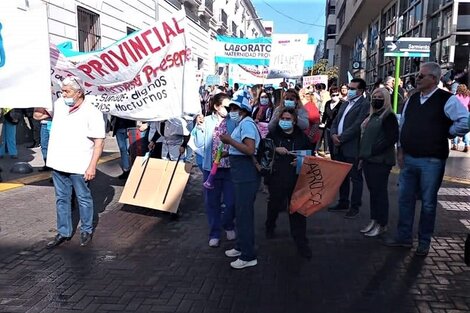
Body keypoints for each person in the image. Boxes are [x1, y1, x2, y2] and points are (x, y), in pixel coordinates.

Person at [385, 62, 469, 257]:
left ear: (434, 78)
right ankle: (404, 237)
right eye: (418, 76)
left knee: (428, 203)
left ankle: (424, 241)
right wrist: (400, 149)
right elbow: (403, 125)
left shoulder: (447, 99)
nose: (417, 79)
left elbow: (465, 121)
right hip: (409, 158)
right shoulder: (413, 99)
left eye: (422, 76)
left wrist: (448, 132)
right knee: (405, 200)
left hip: (431, 160)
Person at [46, 76, 105, 248]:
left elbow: (99, 142)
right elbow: (38, 115)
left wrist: (92, 166)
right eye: (62, 91)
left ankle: (86, 230)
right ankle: (63, 232)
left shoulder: (92, 111)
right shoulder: (59, 105)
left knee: (83, 198)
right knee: (61, 199)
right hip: (58, 162)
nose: (63, 94)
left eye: (67, 91)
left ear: (79, 93)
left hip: (79, 165)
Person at [220, 89, 261, 270]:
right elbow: (242, 148)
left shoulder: (247, 124)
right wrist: (229, 152)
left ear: (242, 109)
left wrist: (229, 141)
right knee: (240, 212)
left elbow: (250, 149)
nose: (231, 112)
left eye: (234, 108)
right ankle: (241, 246)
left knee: (244, 215)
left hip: (246, 175)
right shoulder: (242, 124)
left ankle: (248, 255)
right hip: (240, 174)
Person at [264, 108, 313, 258]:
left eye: (288, 119)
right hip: (277, 177)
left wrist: (299, 161)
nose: (285, 121)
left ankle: (301, 243)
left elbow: (310, 156)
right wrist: (274, 149)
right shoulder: (273, 135)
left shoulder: (302, 138)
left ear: (294, 121)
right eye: (283, 118)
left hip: (296, 179)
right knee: (274, 204)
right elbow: (264, 152)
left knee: (297, 210)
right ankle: (270, 226)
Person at [191, 93, 237, 247]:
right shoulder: (206, 121)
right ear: (217, 107)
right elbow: (197, 142)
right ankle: (215, 232)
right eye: (225, 106)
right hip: (211, 169)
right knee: (212, 202)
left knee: (231, 202)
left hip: (230, 168)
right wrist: (199, 127)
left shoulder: (234, 121)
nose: (229, 109)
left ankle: (229, 224)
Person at [358, 88, 398, 237]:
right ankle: (374, 220)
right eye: (374, 96)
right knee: (374, 193)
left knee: (379, 193)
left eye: (380, 97)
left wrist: (373, 150)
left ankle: (382, 223)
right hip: (368, 160)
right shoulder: (372, 115)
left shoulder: (389, 117)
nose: (376, 99)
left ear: (386, 98)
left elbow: (390, 138)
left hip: (380, 161)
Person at [328, 78, 370, 218]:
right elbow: (335, 121)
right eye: (349, 88)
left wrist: (342, 138)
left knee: (355, 177)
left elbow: (358, 125)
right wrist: (333, 134)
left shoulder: (364, 104)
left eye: (353, 89)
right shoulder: (345, 103)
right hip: (338, 145)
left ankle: (355, 205)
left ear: (361, 90)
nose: (350, 91)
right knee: (341, 176)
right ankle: (343, 201)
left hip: (352, 146)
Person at [321, 87, 345, 159]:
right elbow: (325, 114)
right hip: (328, 128)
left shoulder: (342, 104)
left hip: (338, 130)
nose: (335, 97)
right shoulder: (328, 103)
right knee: (330, 147)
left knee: (337, 149)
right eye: (333, 95)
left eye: (337, 95)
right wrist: (322, 122)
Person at [451, 84, 470, 152]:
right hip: (466, 114)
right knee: (466, 131)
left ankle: (455, 145)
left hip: (457, 114)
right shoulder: (468, 97)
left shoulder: (455, 97)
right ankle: (467, 145)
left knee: (456, 128)